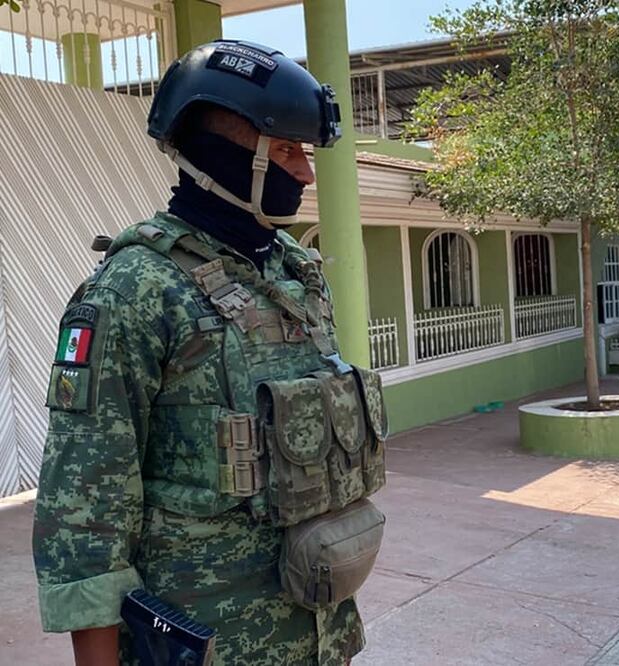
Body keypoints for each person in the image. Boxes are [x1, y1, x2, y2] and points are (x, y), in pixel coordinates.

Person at [33, 40, 388, 665]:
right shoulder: (136, 289)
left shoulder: (296, 272)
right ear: (223, 155)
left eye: (304, 152)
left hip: (320, 634)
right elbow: (87, 509)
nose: (304, 172)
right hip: (212, 643)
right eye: (284, 150)